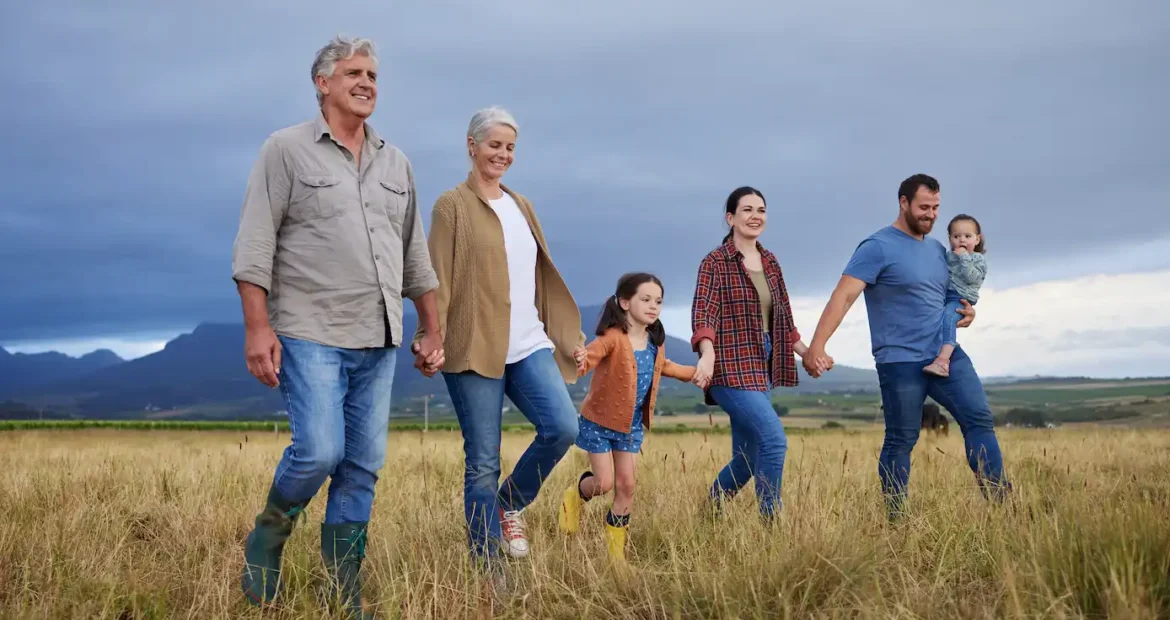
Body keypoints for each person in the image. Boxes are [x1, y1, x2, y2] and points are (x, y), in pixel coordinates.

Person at [231, 36, 442, 617]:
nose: (367, 82)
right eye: (353, 72)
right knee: (320, 451)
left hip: (379, 336)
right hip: (309, 330)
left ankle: (345, 598)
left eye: (373, 74)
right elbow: (254, 244)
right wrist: (256, 329)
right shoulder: (285, 150)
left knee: (361, 466)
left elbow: (414, 256)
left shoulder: (395, 162)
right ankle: (270, 533)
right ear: (322, 82)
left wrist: (431, 329)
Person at [410, 106, 584, 570]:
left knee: (563, 427)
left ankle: (508, 504)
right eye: (494, 145)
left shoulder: (521, 205)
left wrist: (567, 338)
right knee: (482, 461)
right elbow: (437, 276)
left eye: (509, 147)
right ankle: (489, 569)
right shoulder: (451, 205)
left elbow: (541, 278)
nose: (502, 154)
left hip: (528, 343)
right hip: (473, 346)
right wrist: (430, 335)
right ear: (472, 146)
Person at [802, 174, 1010, 519]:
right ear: (903, 203)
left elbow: (949, 295)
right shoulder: (877, 246)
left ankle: (1003, 507)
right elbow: (844, 296)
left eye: (936, 208)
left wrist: (968, 311)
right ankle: (897, 519)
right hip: (899, 360)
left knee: (979, 421)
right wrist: (816, 346)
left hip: (946, 354)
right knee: (902, 439)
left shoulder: (938, 251)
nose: (931, 215)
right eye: (924, 207)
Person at [689, 186, 818, 521]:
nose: (755, 216)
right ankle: (771, 525)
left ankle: (708, 517)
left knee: (746, 460)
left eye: (760, 210)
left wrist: (806, 353)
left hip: (760, 365)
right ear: (730, 218)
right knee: (774, 442)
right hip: (728, 365)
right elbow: (704, 313)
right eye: (747, 210)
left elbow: (783, 318)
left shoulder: (771, 261)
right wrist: (707, 354)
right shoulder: (715, 263)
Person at [559, 272, 696, 563]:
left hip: (631, 426)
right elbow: (590, 358)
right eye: (645, 299)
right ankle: (576, 494)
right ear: (624, 302)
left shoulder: (655, 343)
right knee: (604, 483)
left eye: (658, 301)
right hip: (598, 422)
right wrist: (579, 358)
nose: (653, 306)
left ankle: (616, 557)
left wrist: (695, 374)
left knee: (627, 486)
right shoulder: (612, 339)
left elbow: (665, 366)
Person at [923, 214, 987, 377]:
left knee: (949, 320)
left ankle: (943, 362)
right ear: (950, 238)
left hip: (960, 297)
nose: (962, 240)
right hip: (945, 295)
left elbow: (972, 278)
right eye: (956, 236)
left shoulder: (977, 259)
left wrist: (964, 257)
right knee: (939, 320)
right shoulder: (947, 255)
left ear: (977, 239)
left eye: (967, 236)